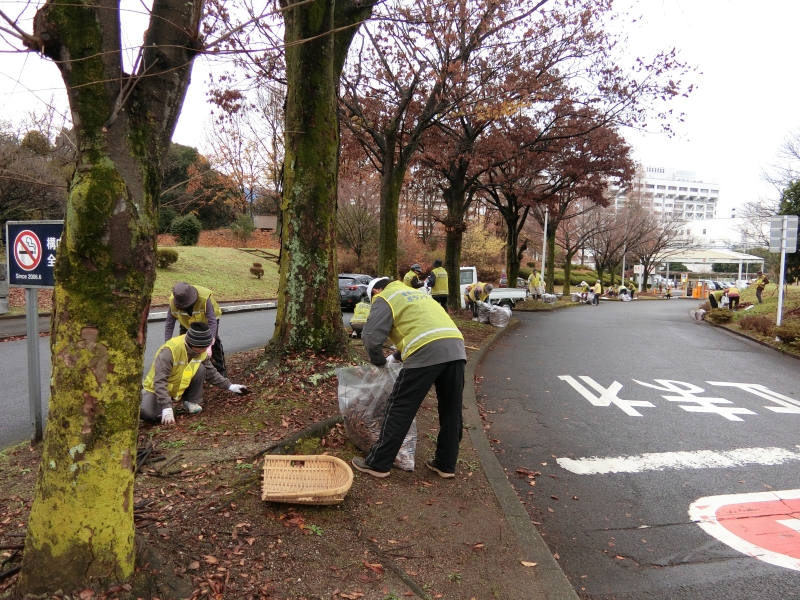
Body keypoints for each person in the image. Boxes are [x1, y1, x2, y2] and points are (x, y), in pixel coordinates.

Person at [352, 277, 467, 479]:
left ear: (376, 291)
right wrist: (394, 357)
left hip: (426, 351)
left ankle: (378, 463)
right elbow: (422, 329)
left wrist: (379, 363)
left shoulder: (384, 297)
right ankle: (446, 464)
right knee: (451, 408)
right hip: (456, 347)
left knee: (400, 407)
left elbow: (371, 338)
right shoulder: (416, 294)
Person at [140, 322, 248, 424]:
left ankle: (191, 401)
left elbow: (211, 372)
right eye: (205, 346)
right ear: (195, 345)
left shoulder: (201, 351)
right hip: (156, 389)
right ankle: (147, 397)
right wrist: (166, 407)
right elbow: (159, 381)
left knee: (200, 368)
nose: (207, 349)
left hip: (177, 387)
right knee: (147, 414)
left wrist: (230, 386)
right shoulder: (169, 351)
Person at [166, 282, 226, 377]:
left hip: (207, 321)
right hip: (187, 324)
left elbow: (212, 321)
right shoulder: (174, 302)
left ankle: (220, 371)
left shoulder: (204, 298)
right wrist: (167, 344)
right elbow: (169, 324)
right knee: (184, 346)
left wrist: (210, 345)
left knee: (214, 344)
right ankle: (190, 373)